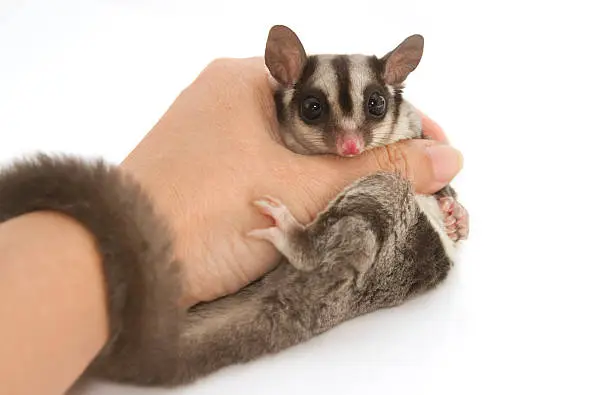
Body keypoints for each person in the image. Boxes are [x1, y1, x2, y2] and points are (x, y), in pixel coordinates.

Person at [0, 57, 463, 395]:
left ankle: (299, 247)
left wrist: (445, 198)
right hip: (338, 260)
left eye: (374, 109)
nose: (349, 141)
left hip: (402, 256)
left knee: (378, 197)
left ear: (396, 83)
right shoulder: (282, 139)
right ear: (286, 89)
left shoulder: (407, 126)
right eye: (317, 111)